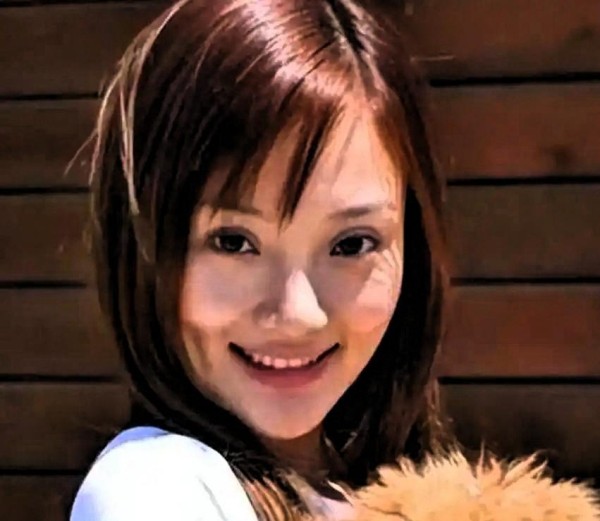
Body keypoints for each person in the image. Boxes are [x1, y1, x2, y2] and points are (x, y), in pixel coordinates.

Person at [69, 1, 599, 520]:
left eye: (351, 245)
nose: (298, 314)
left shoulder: (399, 491)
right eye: (233, 242)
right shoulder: (153, 487)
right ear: (142, 245)